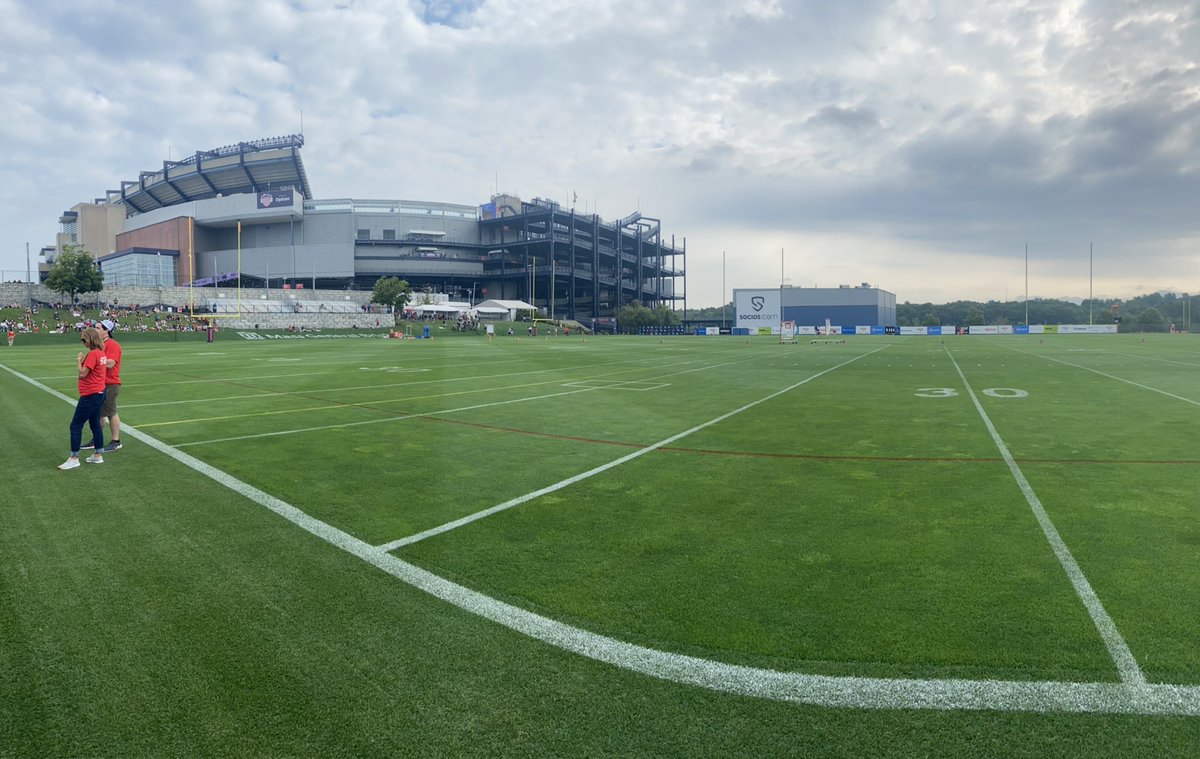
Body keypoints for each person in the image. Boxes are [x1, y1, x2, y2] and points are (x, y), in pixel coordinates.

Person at [58, 327, 107, 470]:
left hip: (91, 395)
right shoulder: (101, 353)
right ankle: (98, 454)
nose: (82, 343)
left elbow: (83, 373)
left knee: (75, 425)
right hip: (99, 392)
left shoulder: (93, 354)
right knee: (95, 424)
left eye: (83, 340)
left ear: (89, 339)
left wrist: (78, 360)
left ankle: (74, 457)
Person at [84, 319, 123, 452]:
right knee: (98, 413)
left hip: (110, 383)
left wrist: (96, 360)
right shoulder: (99, 345)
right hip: (99, 383)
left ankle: (116, 441)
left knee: (111, 412)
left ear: (107, 331)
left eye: (99, 328)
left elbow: (111, 363)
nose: (96, 330)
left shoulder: (112, 344)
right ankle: (96, 439)